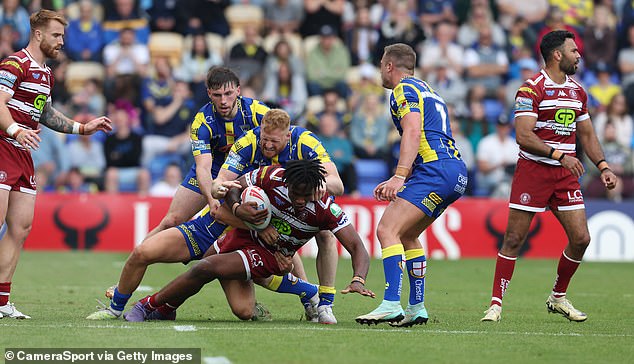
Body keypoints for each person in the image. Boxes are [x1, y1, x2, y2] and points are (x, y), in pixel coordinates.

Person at [85, 66, 269, 320]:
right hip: (211, 170)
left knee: (270, 227)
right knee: (171, 220)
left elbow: (279, 141)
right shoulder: (202, 120)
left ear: (238, 91)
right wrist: (211, 199)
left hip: (245, 173)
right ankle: (123, 283)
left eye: (228, 94)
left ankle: (309, 301)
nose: (223, 101)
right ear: (208, 94)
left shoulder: (260, 112)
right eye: (217, 95)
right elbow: (204, 168)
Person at [124, 159, 375, 322]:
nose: (300, 200)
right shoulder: (273, 176)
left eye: (306, 195)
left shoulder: (325, 209)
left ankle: (147, 305)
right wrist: (237, 208)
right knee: (241, 308)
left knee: (206, 267)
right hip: (244, 233)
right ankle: (167, 310)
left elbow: (356, 246)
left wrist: (358, 278)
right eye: (296, 194)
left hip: (271, 255)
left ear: (316, 190)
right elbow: (235, 186)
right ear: (287, 183)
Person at [480, 30, 618, 323]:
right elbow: (523, 136)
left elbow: (588, 134)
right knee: (514, 238)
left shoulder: (578, 91)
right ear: (557, 55)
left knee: (581, 238)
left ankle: (557, 297)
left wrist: (603, 165)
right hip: (534, 171)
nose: (578, 55)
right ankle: (495, 304)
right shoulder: (531, 89)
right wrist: (559, 156)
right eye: (573, 51)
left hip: (565, 175)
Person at [0, 10, 112, 319]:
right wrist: (15, 130)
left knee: (20, 228)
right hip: (3, 147)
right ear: (38, 35)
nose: (62, 41)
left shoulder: (46, 73)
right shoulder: (14, 64)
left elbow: (46, 114)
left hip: (23, 154)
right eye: (56, 35)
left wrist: (81, 128)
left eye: (62, 35)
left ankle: (1, 302)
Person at [355, 43, 467, 327]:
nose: (381, 69)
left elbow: (413, 131)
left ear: (389, 66)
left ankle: (391, 302)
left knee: (386, 229)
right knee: (407, 235)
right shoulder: (428, 89)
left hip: (434, 169)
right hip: (454, 172)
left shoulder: (403, 89)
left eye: (382, 64)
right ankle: (416, 306)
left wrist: (399, 176)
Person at [209, 109, 345, 324]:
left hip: (300, 196)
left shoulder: (306, 142)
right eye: (265, 139)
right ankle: (307, 295)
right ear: (260, 130)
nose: (268, 146)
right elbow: (221, 181)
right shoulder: (248, 142)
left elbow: (338, 185)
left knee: (326, 234)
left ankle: (325, 304)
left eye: (274, 141)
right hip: (261, 203)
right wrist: (217, 188)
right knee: (219, 213)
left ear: (288, 136)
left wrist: (320, 183)